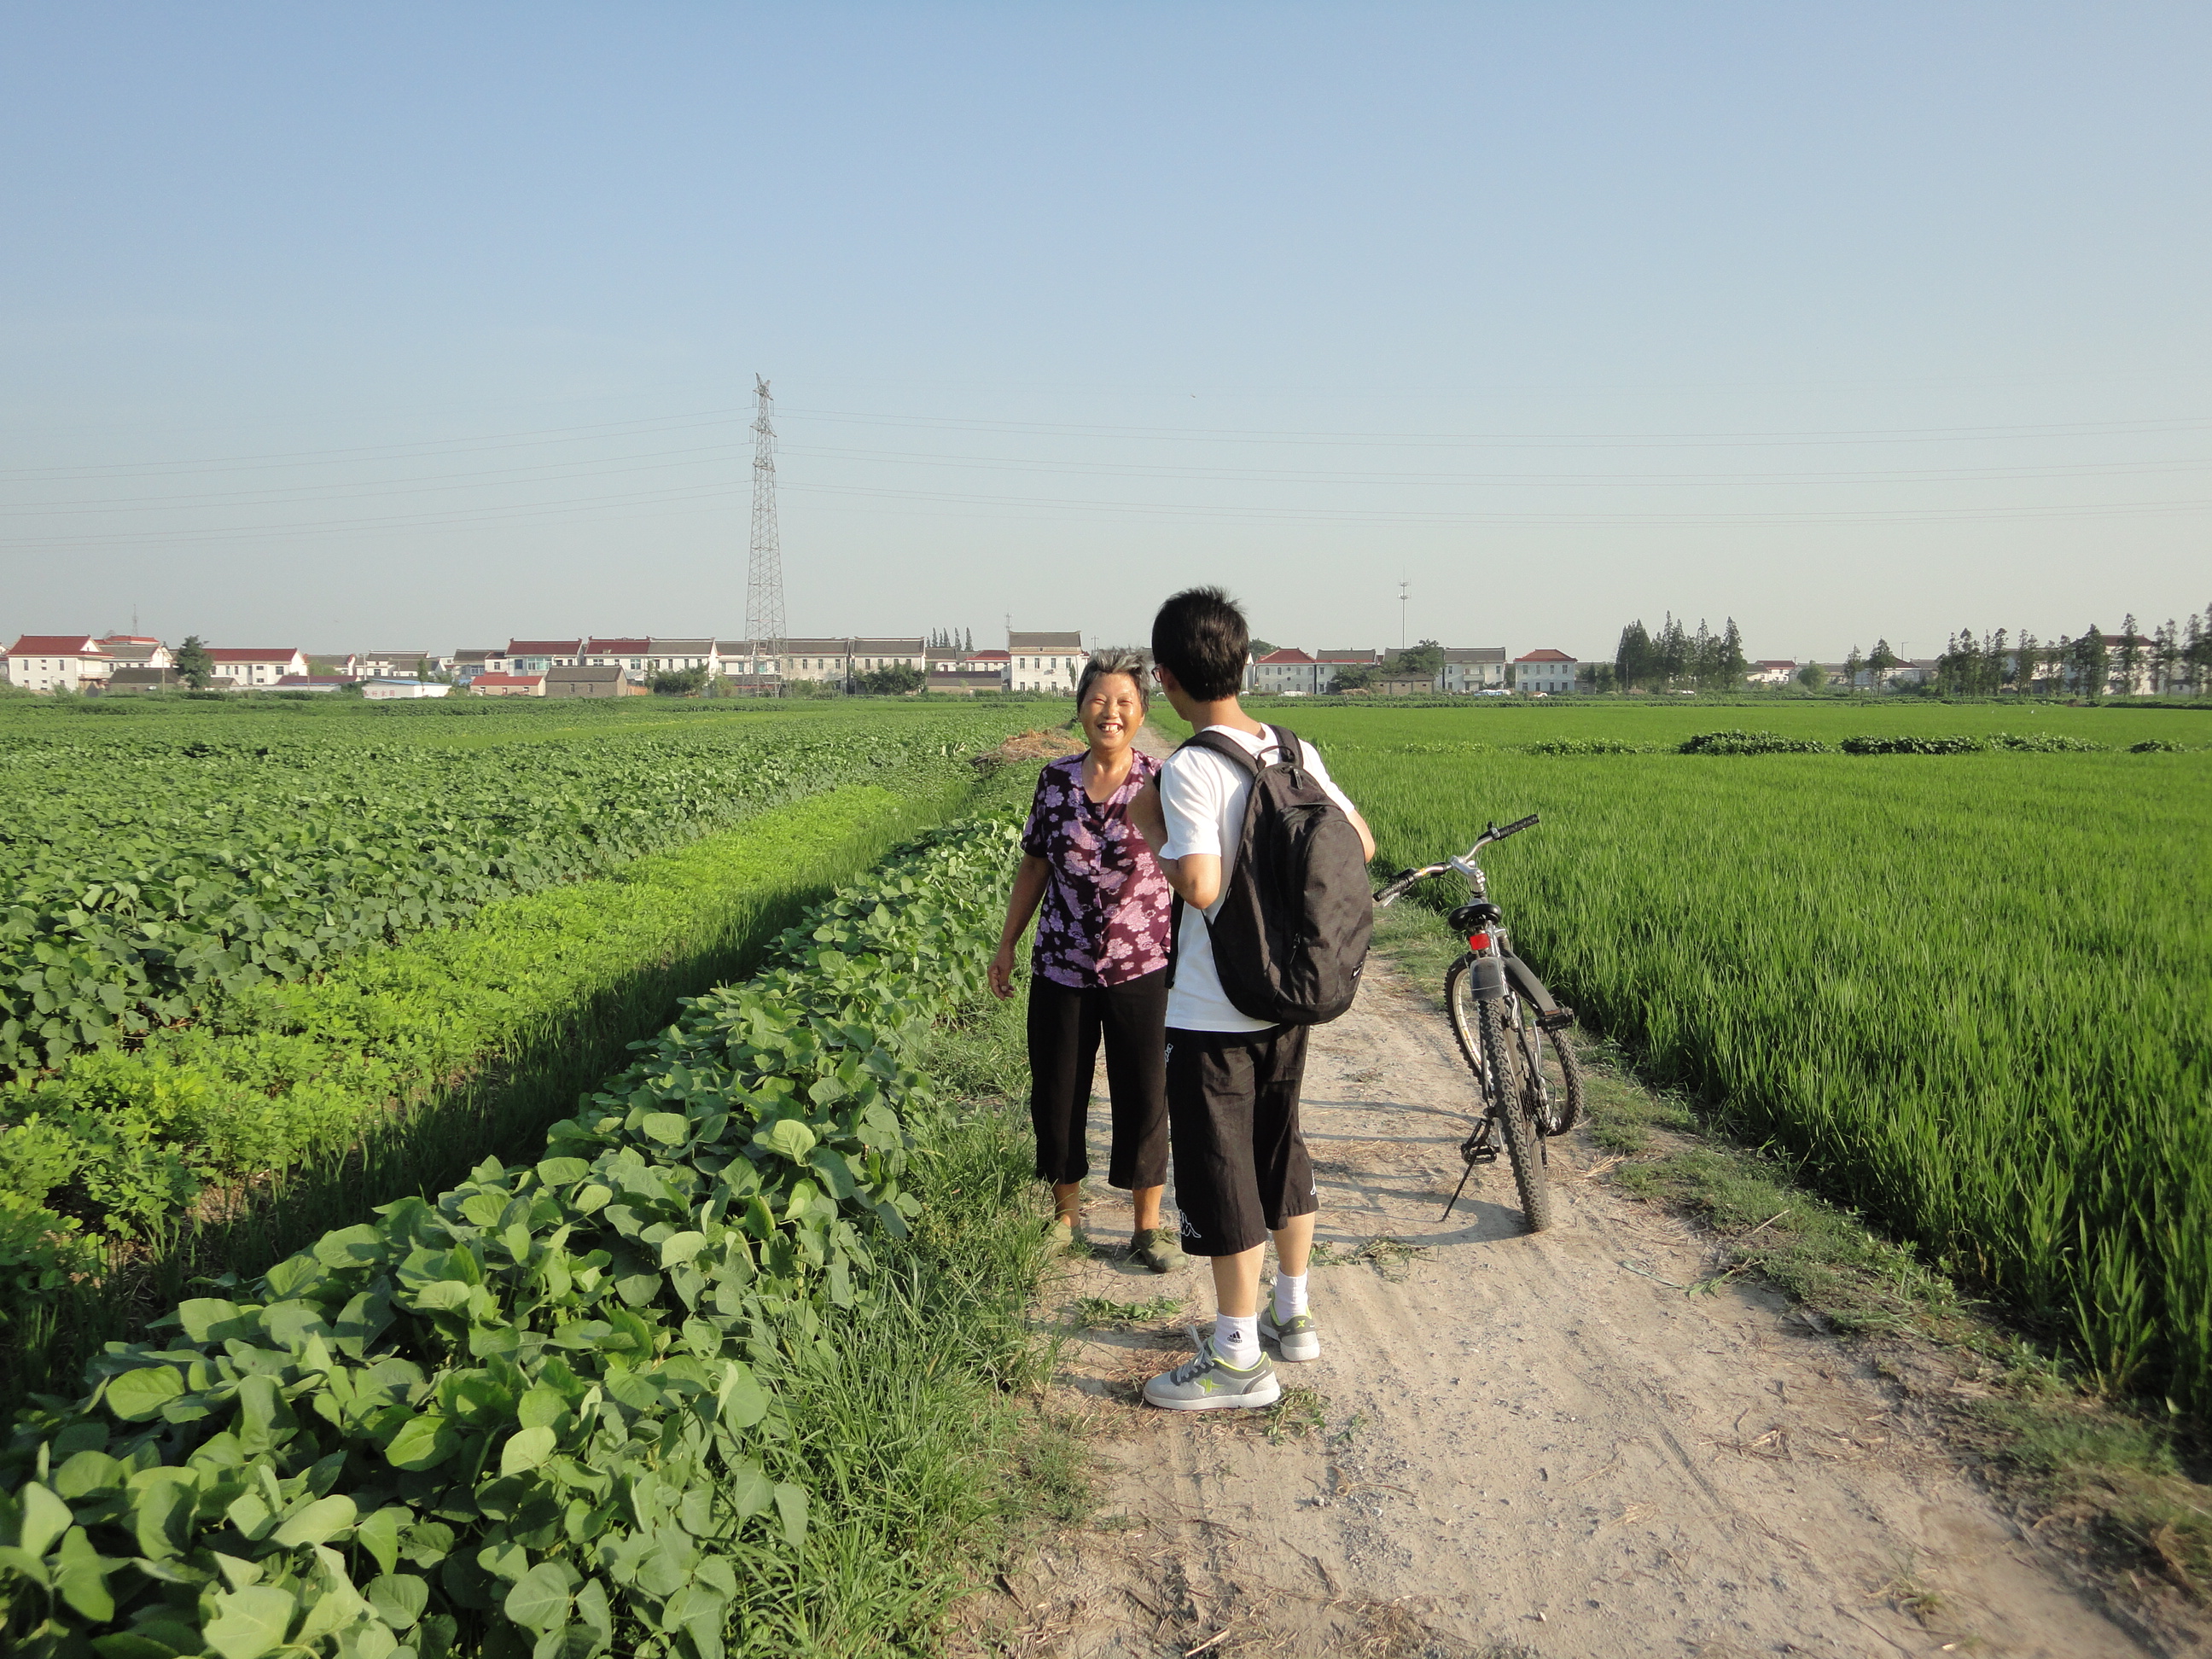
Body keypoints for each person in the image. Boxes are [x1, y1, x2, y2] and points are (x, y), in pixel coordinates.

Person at [1129, 588, 1376, 1409]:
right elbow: (1361, 841)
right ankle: (1292, 1315)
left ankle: (1237, 1358)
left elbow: (1200, 885)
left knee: (1222, 1165)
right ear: (1242, 663)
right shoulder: (1293, 750)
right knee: (1280, 1146)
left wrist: (1154, 831)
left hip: (1214, 1008)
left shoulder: (1191, 767)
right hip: (1287, 997)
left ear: (1166, 678)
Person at [990, 649, 1186, 1273]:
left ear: (1142, 712)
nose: (1111, 712)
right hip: (1062, 964)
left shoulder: (1162, 781)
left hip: (1141, 967)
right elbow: (1034, 865)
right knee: (1058, 1090)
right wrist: (1007, 942)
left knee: (1145, 1094)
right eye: (1099, 699)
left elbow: (1193, 871)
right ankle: (1066, 1218)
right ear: (1080, 709)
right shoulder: (1054, 781)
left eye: (1125, 701)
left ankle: (1147, 1228)